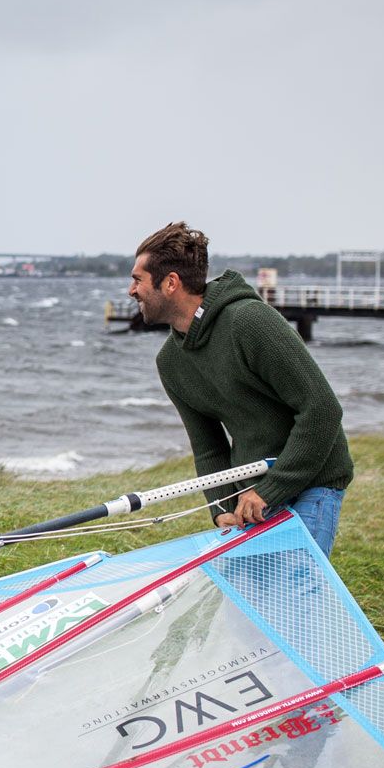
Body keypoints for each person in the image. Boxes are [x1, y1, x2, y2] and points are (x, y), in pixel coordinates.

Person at [129, 221, 353, 555]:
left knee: (297, 593)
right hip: (251, 489)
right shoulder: (171, 362)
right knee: (252, 596)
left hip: (312, 479)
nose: (131, 291)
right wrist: (221, 510)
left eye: (137, 280)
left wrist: (270, 490)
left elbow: (322, 409)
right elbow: (209, 448)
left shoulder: (249, 322)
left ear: (171, 283)